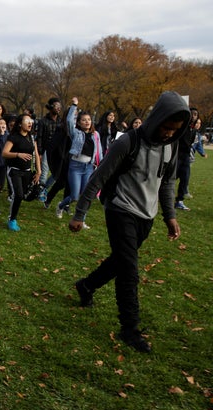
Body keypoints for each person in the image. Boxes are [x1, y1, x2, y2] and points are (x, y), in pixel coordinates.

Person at [69, 91, 190, 353]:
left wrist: (170, 216)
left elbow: (167, 182)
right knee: (128, 271)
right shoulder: (128, 142)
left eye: (175, 129)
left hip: (147, 215)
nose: (169, 133)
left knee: (121, 261)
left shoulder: (172, 145)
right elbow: (98, 178)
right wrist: (80, 214)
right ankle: (130, 329)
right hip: (120, 209)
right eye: (166, 127)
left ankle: (86, 285)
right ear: (156, 119)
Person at [55, 98, 103, 226]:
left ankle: (81, 220)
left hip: (89, 167)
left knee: (85, 196)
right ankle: (60, 205)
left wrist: (101, 165)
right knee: (75, 196)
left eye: (88, 120)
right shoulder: (75, 133)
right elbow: (69, 121)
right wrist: (74, 106)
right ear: (79, 123)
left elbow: (99, 151)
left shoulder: (95, 135)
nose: (87, 122)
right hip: (75, 167)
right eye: (83, 120)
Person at [2, 113, 41, 231]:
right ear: (20, 124)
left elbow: (36, 155)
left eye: (31, 121)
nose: (30, 123)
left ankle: (13, 214)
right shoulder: (14, 137)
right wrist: (18, 154)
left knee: (23, 195)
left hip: (27, 172)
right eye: (27, 120)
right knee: (18, 195)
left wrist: (39, 171)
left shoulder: (32, 137)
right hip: (14, 171)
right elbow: (4, 153)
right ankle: (12, 219)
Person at [36, 98, 64, 200]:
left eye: (60, 106)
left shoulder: (61, 121)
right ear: (51, 106)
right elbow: (39, 137)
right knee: (44, 173)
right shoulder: (43, 121)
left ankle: (44, 188)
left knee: (57, 173)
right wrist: (39, 152)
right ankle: (40, 193)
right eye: (57, 106)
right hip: (46, 150)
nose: (59, 108)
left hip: (58, 151)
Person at [174, 107, 199, 211]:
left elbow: (191, 143)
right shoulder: (181, 127)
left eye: (195, 114)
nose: (193, 116)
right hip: (177, 156)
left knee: (185, 179)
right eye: (191, 114)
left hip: (185, 157)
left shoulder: (193, 130)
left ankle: (179, 201)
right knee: (171, 178)